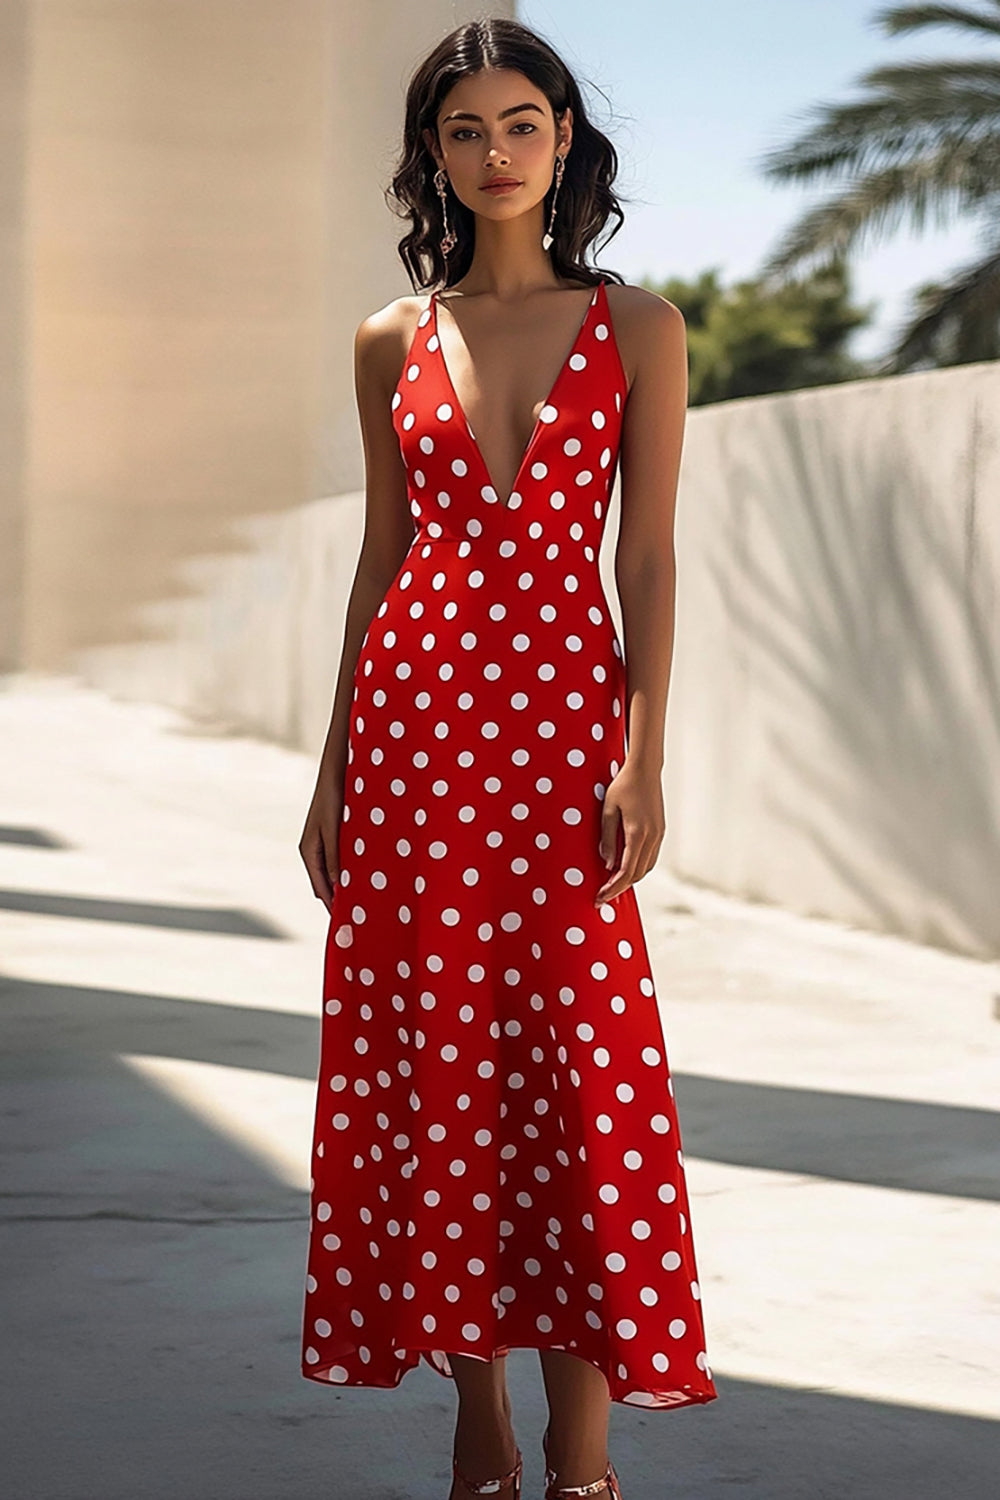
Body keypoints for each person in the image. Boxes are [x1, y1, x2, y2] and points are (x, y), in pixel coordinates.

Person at [297, 16, 718, 1500]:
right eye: (463, 129)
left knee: (580, 1076)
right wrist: (335, 763)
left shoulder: (641, 327)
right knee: (440, 1072)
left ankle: (582, 1444)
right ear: (433, 154)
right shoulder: (387, 339)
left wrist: (643, 752)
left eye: (520, 122)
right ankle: (479, 1426)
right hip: (414, 744)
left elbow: (651, 556)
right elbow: (381, 555)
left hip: (561, 746)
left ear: (564, 141)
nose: (493, 152)